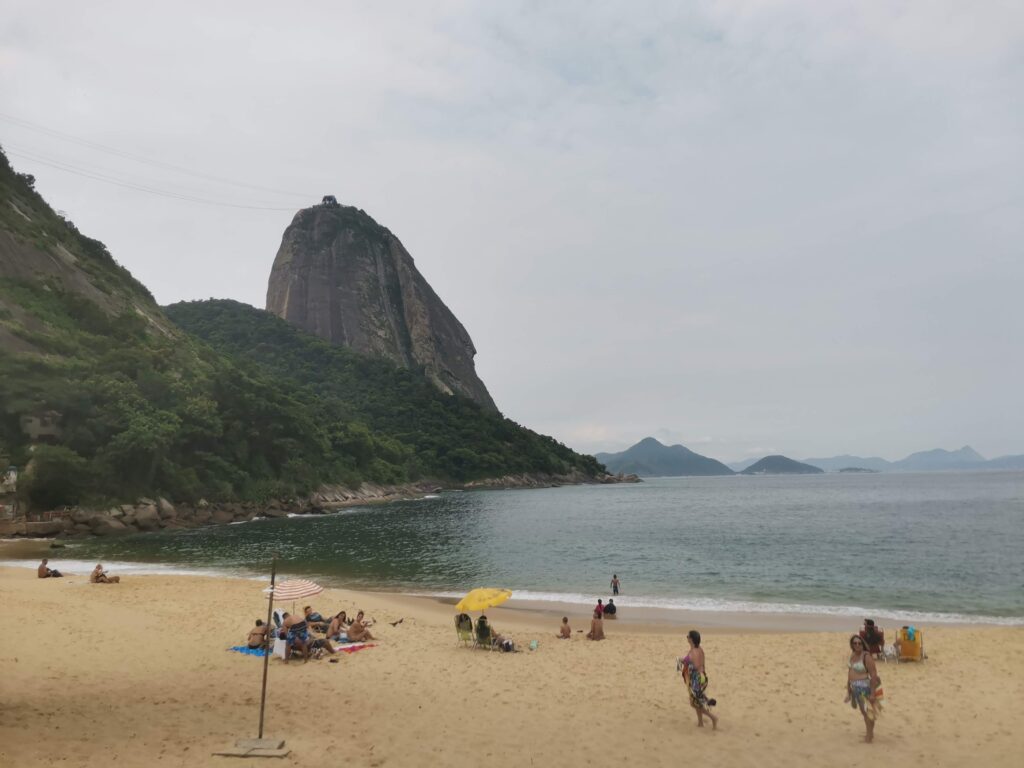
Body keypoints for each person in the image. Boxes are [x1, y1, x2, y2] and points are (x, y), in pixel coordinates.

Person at [845, 634, 882, 742]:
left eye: (859, 643)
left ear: (863, 644)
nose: (857, 645)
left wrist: (872, 693)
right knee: (864, 712)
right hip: (855, 688)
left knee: (868, 713)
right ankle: (869, 733)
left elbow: (874, 675)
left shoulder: (866, 657)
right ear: (852, 644)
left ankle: (869, 736)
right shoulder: (852, 655)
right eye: (855, 643)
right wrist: (848, 690)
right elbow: (849, 672)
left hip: (865, 688)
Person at [680, 629, 718, 729]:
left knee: (695, 704)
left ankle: (713, 718)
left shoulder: (692, 653)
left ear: (691, 639)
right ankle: (700, 723)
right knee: (697, 702)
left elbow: (694, 665)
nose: (687, 638)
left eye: (688, 636)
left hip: (697, 679)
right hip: (703, 677)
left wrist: (683, 661)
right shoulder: (700, 649)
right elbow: (701, 664)